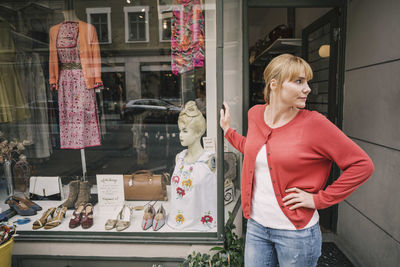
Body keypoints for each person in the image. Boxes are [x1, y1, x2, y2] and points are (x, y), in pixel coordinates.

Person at [219, 54, 374, 267]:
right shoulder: (255, 114)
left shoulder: (315, 124)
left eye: (307, 82)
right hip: (256, 226)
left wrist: (319, 200)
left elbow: (362, 165)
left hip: (296, 234)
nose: (308, 88)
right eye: (299, 81)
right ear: (274, 84)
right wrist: (228, 131)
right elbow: (255, 150)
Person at [167, 101, 217, 231]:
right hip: (176, 225)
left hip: (202, 227)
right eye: (179, 131)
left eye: (185, 131)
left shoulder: (209, 160)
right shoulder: (179, 158)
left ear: (198, 132)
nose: (180, 135)